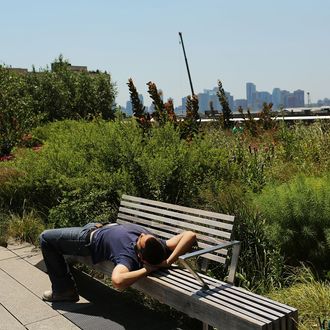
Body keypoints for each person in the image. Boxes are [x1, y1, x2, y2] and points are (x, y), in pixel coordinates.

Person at [39, 222, 196, 302]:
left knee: (46, 238)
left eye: (141, 239)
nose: (142, 234)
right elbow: (190, 235)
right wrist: (169, 261)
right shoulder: (159, 246)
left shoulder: (128, 257)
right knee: (88, 224)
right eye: (147, 236)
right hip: (99, 226)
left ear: (141, 257)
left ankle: (63, 291)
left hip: (87, 239)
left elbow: (118, 281)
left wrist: (148, 270)